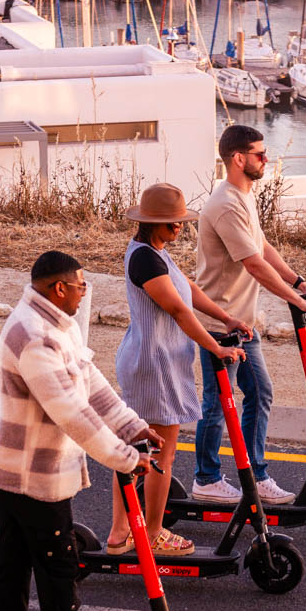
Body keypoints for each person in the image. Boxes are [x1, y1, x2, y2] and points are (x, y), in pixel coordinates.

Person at [0, 250, 172, 611]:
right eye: (81, 286)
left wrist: (133, 426)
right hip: (31, 475)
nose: (85, 293)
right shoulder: (34, 337)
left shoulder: (52, 324)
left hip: (18, 468)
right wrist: (124, 456)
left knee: (13, 563)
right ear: (58, 288)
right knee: (57, 569)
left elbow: (91, 382)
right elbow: (72, 413)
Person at [108, 183, 250, 555]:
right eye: (173, 224)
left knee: (137, 449)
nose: (179, 229)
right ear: (153, 223)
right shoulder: (145, 260)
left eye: (181, 223)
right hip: (154, 366)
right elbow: (178, 309)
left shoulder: (156, 253)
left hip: (154, 361)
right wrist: (216, 346)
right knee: (159, 454)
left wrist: (226, 318)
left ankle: (121, 533)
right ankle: (151, 533)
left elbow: (190, 291)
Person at [192, 125, 306, 505]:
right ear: (239, 159)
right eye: (260, 154)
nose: (266, 160)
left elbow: (262, 247)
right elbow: (252, 264)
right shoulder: (225, 205)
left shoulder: (243, 197)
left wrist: (299, 283)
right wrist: (298, 303)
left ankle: (256, 474)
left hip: (243, 323)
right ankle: (206, 478)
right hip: (220, 325)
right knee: (217, 404)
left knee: (259, 392)